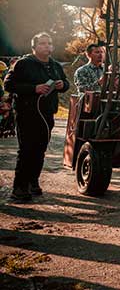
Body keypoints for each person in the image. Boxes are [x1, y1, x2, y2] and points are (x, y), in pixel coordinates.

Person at [3, 32, 70, 201]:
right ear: (34, 47)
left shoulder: (55, 65)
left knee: (40, 150)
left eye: (49, 43)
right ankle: (19, 188)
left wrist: (62, 85)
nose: (47, 46)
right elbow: (8, 84)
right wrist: (34, 88)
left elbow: (66, 83)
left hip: (47, 113)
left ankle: (33, 181)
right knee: (27, 149)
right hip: (27, 113)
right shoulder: (23, 64)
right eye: (42, 43)